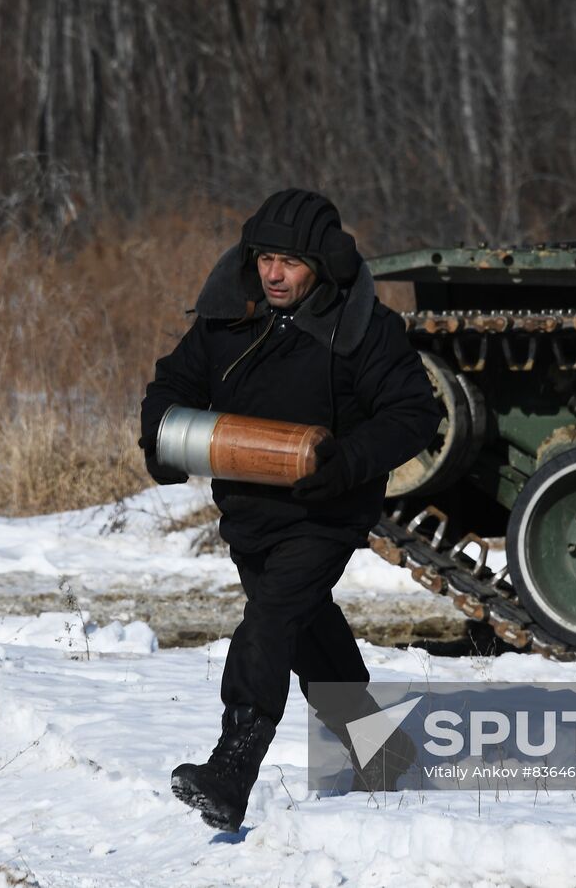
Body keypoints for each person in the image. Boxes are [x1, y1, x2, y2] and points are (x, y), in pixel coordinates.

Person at [138, 188, 440, 832]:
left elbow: (415, 413)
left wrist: (349, 461)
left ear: (322, 265)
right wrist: (161, 438)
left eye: (291, 263)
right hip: (248, 508)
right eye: (266, 258)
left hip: (326, 509)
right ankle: (381, 752)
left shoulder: (364, 330)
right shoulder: (228, 317)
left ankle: (233, 765)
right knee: (306, 628)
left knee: (272, 618)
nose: (274, 274)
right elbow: (172, 385)